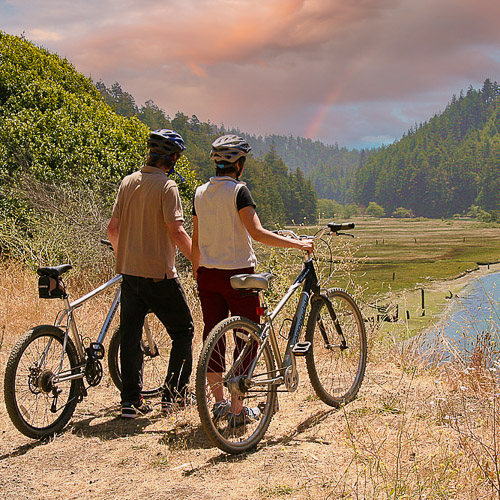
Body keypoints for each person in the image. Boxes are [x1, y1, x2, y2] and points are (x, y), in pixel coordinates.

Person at [192, 134, 313, 427]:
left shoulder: (199, 192)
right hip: (239, 276)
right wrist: (297, 244)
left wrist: (199, 273)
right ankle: (238, 410)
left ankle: (219, 403)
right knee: (247, 339)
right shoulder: (239, 192)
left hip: (207, 274)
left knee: (214, 337)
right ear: (240, 164)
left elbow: (196, 242)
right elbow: (257, 233)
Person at [107, 129, 194, 418]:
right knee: (183, 331)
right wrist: (199, 260)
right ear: (171, 158)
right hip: (160, 275)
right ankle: (174, 396)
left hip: (129, 274)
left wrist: (124, 257)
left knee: (130, 336)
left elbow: (112, 230)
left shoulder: (127, 182)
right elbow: (177, 231)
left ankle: (130, 403)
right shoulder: (167, 187)